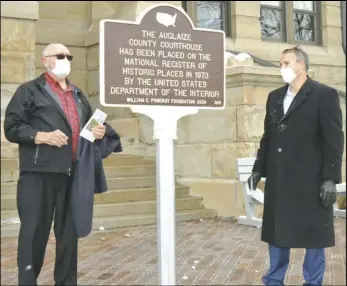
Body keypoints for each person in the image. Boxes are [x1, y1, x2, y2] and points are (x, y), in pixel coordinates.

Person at [4, 43, 107, 285]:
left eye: (69, 56)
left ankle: (67, 281)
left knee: (69, 235)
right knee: (34, 234)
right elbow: (11, 127)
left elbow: (85, 133)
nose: (66, 60)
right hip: (39, 173)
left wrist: (98, 130)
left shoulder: (79, 95)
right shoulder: (29, 91)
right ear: (45, 60)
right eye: (60, 56)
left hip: (73, 173)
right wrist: (40, 136)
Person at [248, 46, 344, 286]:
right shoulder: (275, 97)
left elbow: (333, 140)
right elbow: (268, 137)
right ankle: (273, 280)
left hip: (310, 181)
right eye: (280, 64)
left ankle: (312, 282)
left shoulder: (324, 95)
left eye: (285, 63)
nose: (281, 68)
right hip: (280, 180)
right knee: (278, 233)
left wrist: (330, 178)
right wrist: (259, 168)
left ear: (301, 65)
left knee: (314, 235)